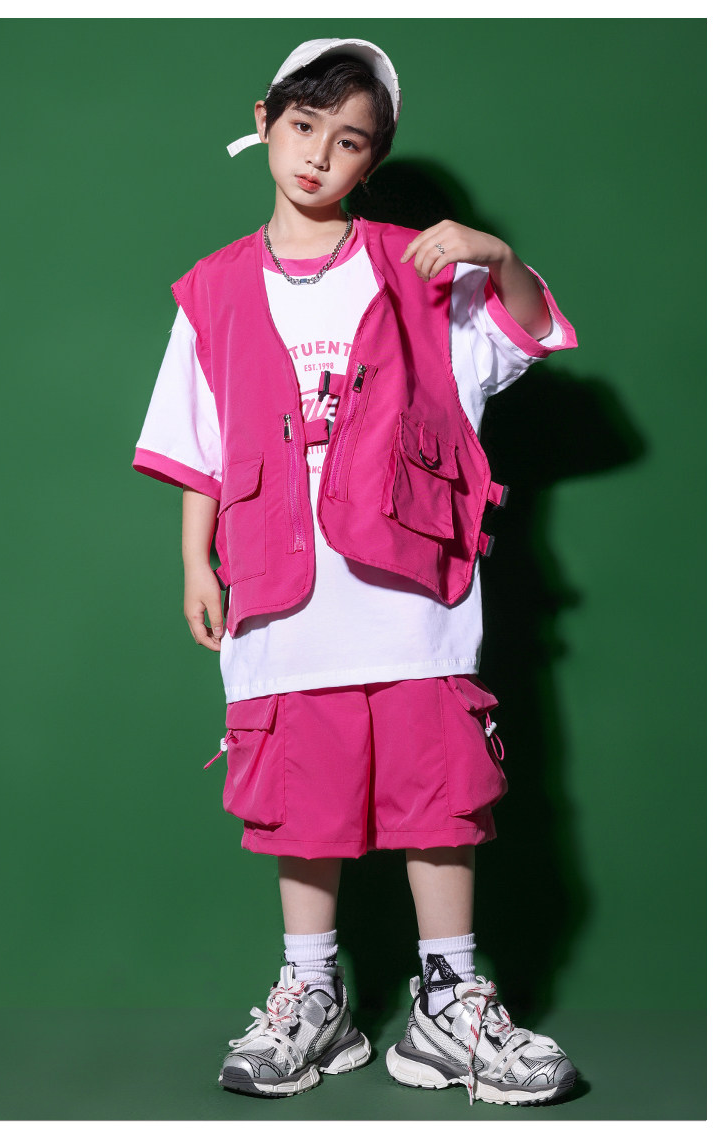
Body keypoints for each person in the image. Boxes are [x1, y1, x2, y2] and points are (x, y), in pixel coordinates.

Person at [133, 37, 579, 1107]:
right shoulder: (213, 291)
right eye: (302, 128)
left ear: (372, 159)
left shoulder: (421, 271)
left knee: (441, 793)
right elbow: (200, 441)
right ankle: (313, 995)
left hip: (413, 594)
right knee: (301, 797)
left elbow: (525, 334)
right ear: (265, 121)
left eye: (348, 142)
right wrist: (194, 558)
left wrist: (496, 254)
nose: (317, 157)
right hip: (277, 594)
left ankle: (448, 1001)